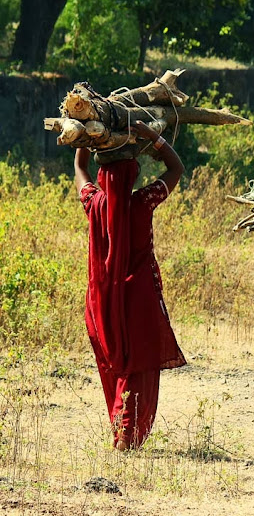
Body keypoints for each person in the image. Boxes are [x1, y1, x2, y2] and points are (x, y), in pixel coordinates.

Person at [74, 120, 186, 450]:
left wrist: (86, 135)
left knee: (115, 364)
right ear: (133, 175)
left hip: (101, 301)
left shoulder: (94, 204)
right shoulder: (142, 203)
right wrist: (154, 138)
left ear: (102, 176)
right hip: (138, 299)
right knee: (139, 366)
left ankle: (120, 431)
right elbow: (176, 168)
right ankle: (128, 436)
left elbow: (80, 166)